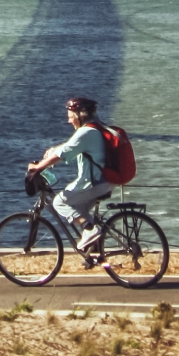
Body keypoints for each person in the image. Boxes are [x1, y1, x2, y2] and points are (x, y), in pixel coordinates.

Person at [27, 96, 112, 252]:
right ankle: (95, 251)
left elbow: (63, 154)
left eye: (71, 117)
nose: (69, 121)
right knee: (79, 209)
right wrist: (53, 151)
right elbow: (69, 146)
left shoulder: (86, 132)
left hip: (93, 183)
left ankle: (90, 231)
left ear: (80, 115)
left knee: (59, 202)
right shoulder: (95, 128)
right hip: (104, 182)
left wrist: (38, 167)